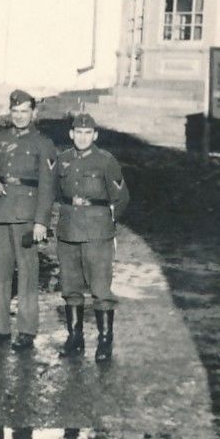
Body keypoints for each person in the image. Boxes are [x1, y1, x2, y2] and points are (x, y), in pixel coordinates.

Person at [0, 89, 57, 352]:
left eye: (24, 111)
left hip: (26, 215)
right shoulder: (0, 139)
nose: (19, 116)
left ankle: (26, 329)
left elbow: (47, 185)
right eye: (15, 111)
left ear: (33, 113)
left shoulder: (43, 143)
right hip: (1, 212)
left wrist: (41, 221)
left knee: (27, 273)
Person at [54, 111, 130, 362]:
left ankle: (105, 341)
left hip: (97, 232)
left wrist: (108, 224)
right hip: (68, 230)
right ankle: (75, 338)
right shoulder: (62, 159)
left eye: (88, 133)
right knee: (70, 286)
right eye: (79, 132)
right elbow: (53, 191)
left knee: (100, 288)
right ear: (71, 134)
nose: (83, 137)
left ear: (95, 135)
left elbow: (121, 198)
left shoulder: (107, 161)